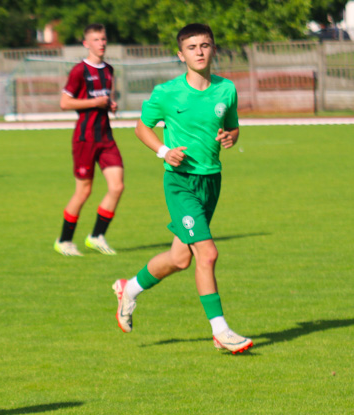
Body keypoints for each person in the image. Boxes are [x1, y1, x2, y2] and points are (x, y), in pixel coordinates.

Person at [112, 23, 252, 354]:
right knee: (208, 253)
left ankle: (128, 289)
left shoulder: (226, 89)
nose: (199, 51)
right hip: (179, 182)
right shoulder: (166, 93)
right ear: (181, 55)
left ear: (213, 49)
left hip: (211, 180)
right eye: (192, 47)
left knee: (179, 259)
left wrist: (231, 137)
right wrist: (163, 151)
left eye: (205, 45)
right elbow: (140, 128)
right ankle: (220, 331)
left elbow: (232, 127)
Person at [54, 23, 124, 257]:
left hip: (106, 137)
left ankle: (96, 236)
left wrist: (110, 105)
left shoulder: (109, 70)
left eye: (103, 39)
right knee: (83, 191)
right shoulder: (78, 71)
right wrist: (95, 103)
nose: (101, 43)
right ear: (86, 44)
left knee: (117, 186)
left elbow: (102, 100)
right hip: (85, 138)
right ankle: (64, 240)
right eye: (95, 39)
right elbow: (65, 103)